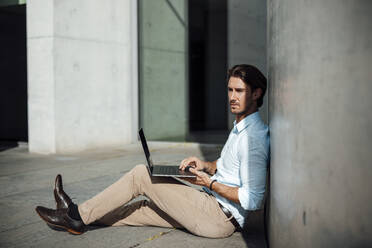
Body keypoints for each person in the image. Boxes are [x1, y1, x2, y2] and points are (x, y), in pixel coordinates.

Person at [35, 64, 270, 238]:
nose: (232, 97)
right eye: (230, 90)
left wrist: (209, 184)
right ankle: (78, 215)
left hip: (218, 216)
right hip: (210, 207)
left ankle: (75, 215)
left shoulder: (254, 138)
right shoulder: (241, 127)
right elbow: (230, 166)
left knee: (141, 175)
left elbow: (254, 199)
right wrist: (205, 166)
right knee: (143, 208)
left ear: (256, 93)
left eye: (239, 91)